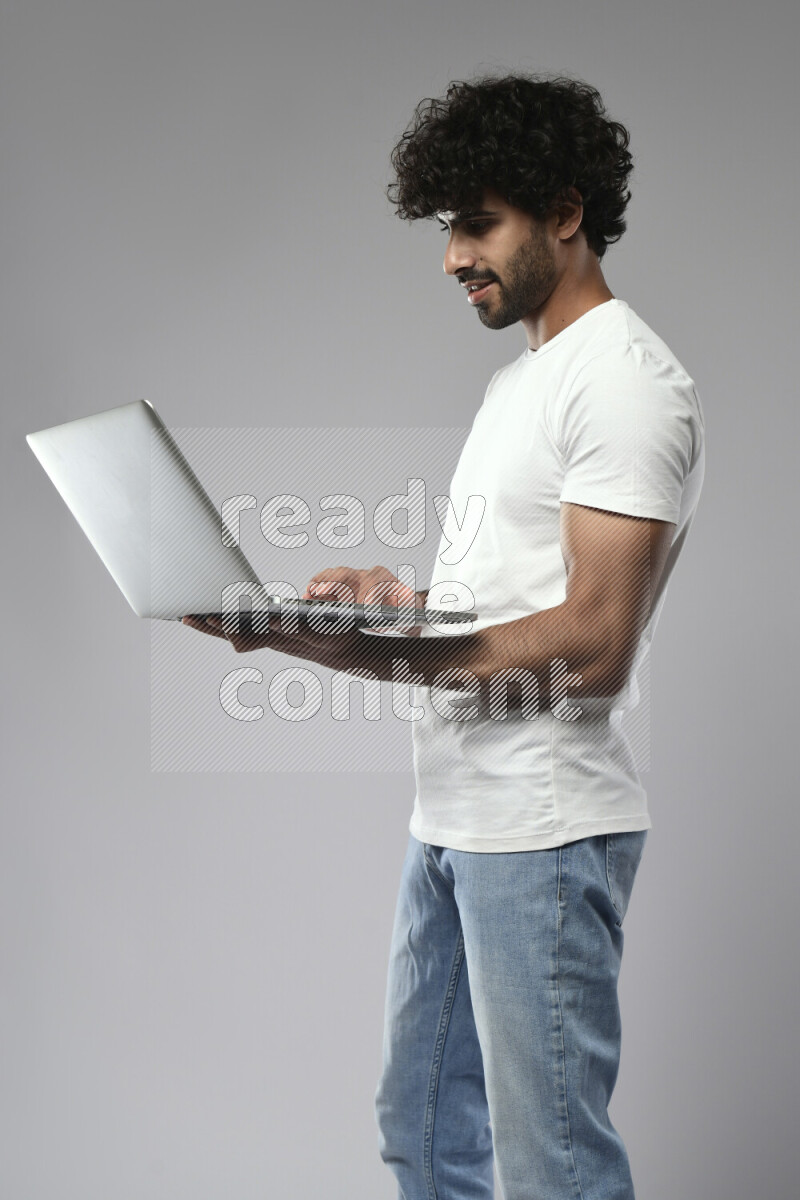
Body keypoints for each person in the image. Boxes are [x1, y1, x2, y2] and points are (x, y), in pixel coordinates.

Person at [184, 71, 705, 1200]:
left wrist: (369, 653)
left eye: (478, 224)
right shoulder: (524, 383)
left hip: (542, 835)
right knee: (422, 1138)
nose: (451, 256)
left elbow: (595, 639)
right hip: (457, 821)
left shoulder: (621, 383)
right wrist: (376, 614)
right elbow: (510, 605)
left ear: (563, 213)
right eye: (447, 227)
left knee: (550, 1169)